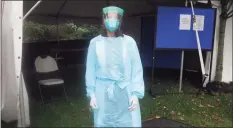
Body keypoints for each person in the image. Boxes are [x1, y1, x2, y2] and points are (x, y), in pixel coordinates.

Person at [85, 6, 145, 127]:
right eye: (109, 17)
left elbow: (137, 69)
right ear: (104, 19)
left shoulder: (129, 42)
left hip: (125, 92)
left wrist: (135, 93)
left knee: (128, 123)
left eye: (115, 17)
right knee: (104, 123)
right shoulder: (95, 43)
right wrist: (92, 94)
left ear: (120, 20)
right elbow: (90, 69)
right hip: (103, 93)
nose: (111, 20)